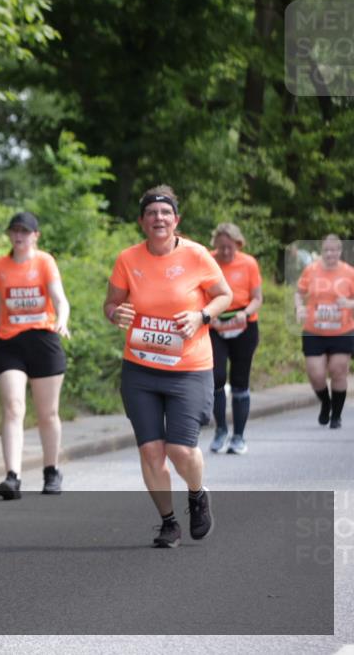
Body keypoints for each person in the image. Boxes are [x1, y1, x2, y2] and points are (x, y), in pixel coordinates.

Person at [103, 185, 231, 548]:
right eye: (151, 213)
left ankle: (196, 494)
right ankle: (168, 522)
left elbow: (225, 294)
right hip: (141, 368)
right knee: (150, 450)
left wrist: (201, 315)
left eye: (165, 213)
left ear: (176, 219)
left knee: (180, 449)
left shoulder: (197, 255)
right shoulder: (128, 259)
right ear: (142, 221)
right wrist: (117, 314)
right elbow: (111, 304)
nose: (158, 218)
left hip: (189, 368)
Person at [0, 211, 70, 499]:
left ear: (36, 235)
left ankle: (51, 470)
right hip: (9, 343)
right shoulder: (0, 265)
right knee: (13, 407)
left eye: (25, 231)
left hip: (43, 340)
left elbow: (60, 298)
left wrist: (62, 319)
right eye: (15, 231)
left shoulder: (45, 261)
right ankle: (12, 476)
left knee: (47, 413)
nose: (19, 235)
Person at [208, 223, 263, 454]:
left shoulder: (248, 263)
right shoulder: (208, 261)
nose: (226, 252)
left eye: (230, 247)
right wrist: (209, 317)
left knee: (240, 381)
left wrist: (245, 313)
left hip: (244, 325)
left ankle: (238, 437)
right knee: (216, 377)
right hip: (215, 324)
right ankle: (221, 430)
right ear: (215, 246)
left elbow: (257, 298)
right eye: (221, 248)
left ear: (238, 244)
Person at [295, 234, 353, 429]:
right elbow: (299, 293)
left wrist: (348, 303)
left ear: (340, 251)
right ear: (322, 250)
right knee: (316, 374)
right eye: (326, 250)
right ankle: (325, 403)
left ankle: (336, 415)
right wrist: (299, 307)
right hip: (314, 330)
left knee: (338, 371)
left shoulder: (349, 273)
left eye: (334, 250)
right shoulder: (311, 270)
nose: (330, 254)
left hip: (342, 330)